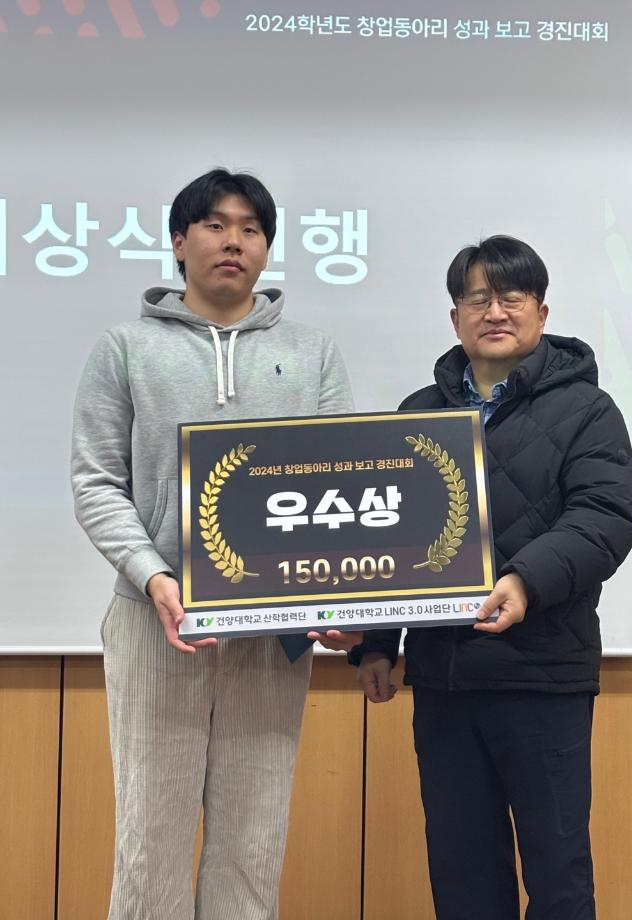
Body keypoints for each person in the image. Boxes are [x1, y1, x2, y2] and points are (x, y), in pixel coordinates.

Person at [71, 168, 354, 920]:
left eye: (251, 228)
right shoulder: (125, 348)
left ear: (266, 247)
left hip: (271, 630)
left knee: (252, 844)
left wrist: (338, 601)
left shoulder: (313, 353)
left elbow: (340, 486)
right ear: (178, 241)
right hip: (155, 621)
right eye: (215, 224)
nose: (234, 241)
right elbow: (96, 482)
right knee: (150, 842)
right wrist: (153, 576)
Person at [345, 235, 632, 919]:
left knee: (558, 874)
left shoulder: (587, 410)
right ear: (455, 317)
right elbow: (389, 538)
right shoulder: (418, 413)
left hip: (542, 675)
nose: (495, 311)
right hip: (444, 679)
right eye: (477, 299)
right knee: (462, 874)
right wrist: (378, 644)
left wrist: (524, 582)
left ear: (540, 311)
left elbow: (603, 518)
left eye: (511, 296)